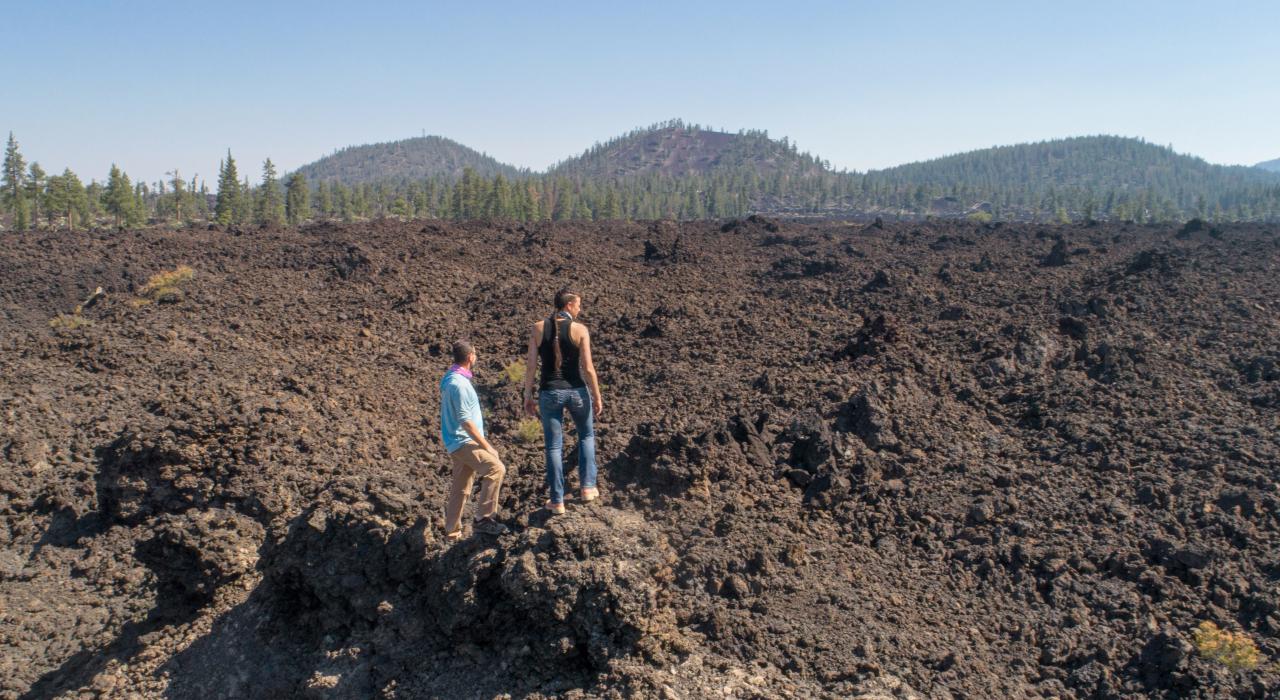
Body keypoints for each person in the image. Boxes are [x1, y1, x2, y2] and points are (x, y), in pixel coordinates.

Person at [522, 289, 604, 514]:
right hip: (577, 391)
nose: (580, 309)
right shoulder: (580, 329)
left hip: (549, 393)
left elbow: (531, 366)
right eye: (578, 304)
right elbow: (588, 368)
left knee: (553, 446)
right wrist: (597, 395)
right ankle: (588, 488)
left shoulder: (537, 328)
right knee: (586, 436)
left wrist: (527, 395)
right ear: (568, 305)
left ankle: (557, 501)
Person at [440, 340, 508, 541]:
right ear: (470, 357)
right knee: (496, 469)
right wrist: (487, 446)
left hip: (455, 441)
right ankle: (483, 520)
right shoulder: (459, 384)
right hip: (463, 441)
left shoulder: (451, 378)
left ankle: (452, 532)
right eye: (475, 354)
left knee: (460, 488)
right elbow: (465, 420)